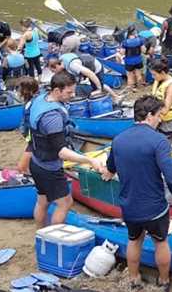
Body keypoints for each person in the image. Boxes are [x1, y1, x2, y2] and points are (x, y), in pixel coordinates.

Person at [99, 95, 172, 292]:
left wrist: (105, 172)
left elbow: (110, 169)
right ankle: (163, 282)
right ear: (149, 116)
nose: (161, 119)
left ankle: (134, 279)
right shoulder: (159, 141)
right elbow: (171, 177)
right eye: (159, 115)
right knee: (161, 242)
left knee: (134, 240)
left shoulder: (118, 140)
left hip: (129, 206)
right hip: (155, 207)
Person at [30, 71, 103, 226]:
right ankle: (55, 238)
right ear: (57, 91)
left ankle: (41, 232)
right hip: (49, 167)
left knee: (43, 200)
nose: (73, 94)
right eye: (69, 92)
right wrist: (89, 160)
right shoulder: (52, 117)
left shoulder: (41, 98)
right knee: (65, 203)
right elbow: (61, 152)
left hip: (36, 161)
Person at [48, 52, 118, 100]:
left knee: (99, 85)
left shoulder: (73, 65)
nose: (54, 73)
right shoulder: (61, 59)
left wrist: (99, 88)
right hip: (84, 65)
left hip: (95, 67)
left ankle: (115, 97)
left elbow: (91, 74)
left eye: (53, 71)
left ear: (57, 66)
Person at [149, 59, 172, 140]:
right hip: (157, 118)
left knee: (165, 146)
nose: (152, 77)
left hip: (168, 122)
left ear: (163, 73)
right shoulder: (159, 79)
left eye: (154, 75)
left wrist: (149, 109)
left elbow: (165, 110)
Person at [15, 76, 41, 173]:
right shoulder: (31, 102)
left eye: (18, 89)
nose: (17, 92)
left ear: (25, 91)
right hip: (34, 139)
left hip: (36, 140)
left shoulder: (33, 104)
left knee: (21, 168)